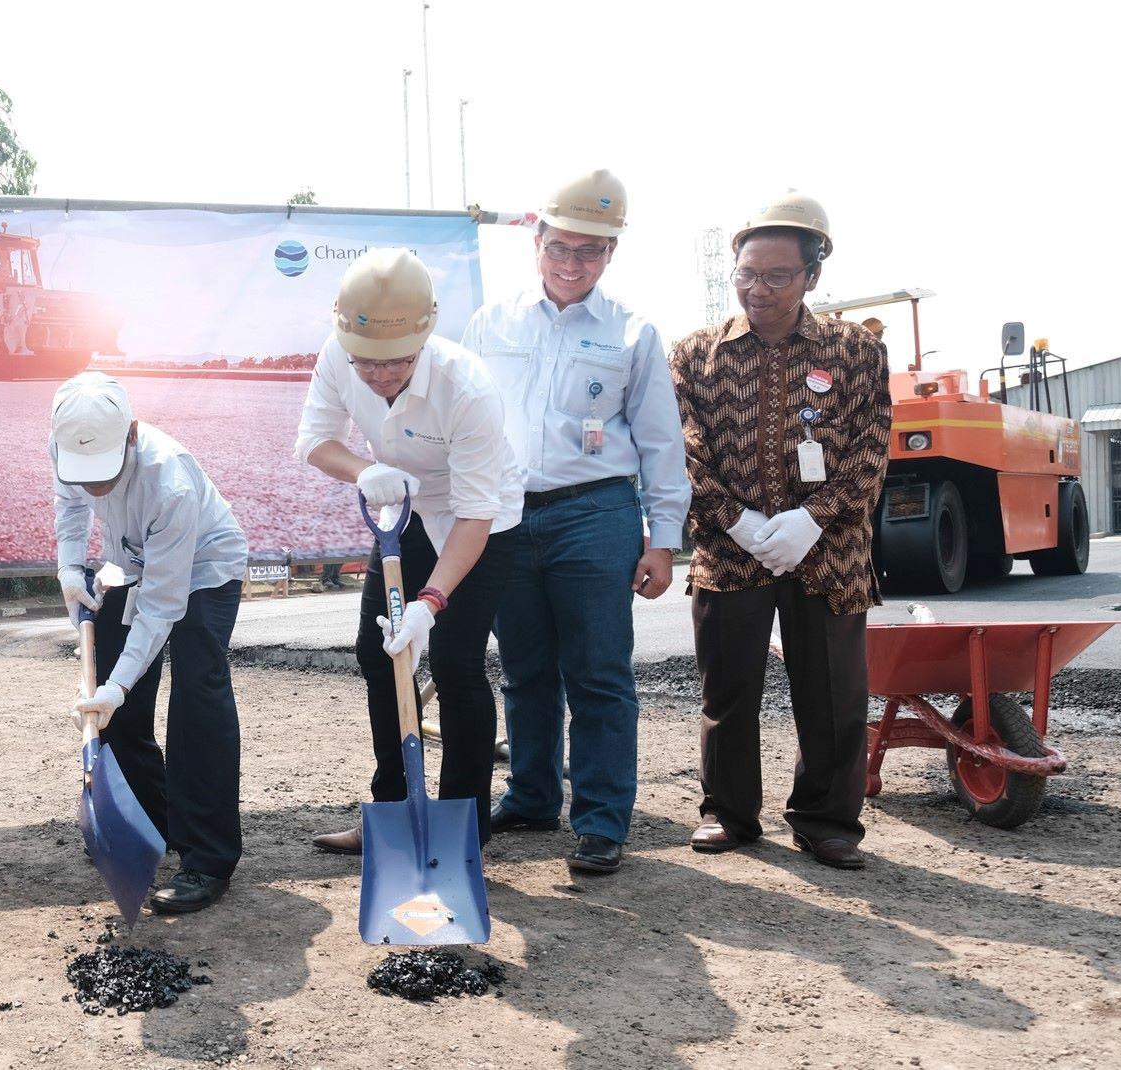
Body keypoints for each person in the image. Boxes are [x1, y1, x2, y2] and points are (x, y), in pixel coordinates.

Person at [460, 170, 690, 874]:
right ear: (537, 242)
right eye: (560, 247)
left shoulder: (632, 333)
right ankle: (530, 796)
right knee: (525, 670)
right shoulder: (488, 325)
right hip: (503, 515)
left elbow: (659, 441)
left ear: (610, 254)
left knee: (596, 672)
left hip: (595, 513)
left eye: (588, 252)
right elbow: (463, 427)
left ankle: (599, 819)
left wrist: (664, 540)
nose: (571, 264)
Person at [668, 190, 891, 870]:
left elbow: (870, 445)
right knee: (727, 687)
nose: (756, 289)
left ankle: (827, 821)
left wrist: (811, 520)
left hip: (829, 553)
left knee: (832, 692)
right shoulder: (694, 355)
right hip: (729, 549)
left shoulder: (854, 351)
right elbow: (682, 451)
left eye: (776, 276)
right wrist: (736, 521)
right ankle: (727, 813)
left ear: (811, 277)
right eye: (745, 275)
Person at [294, 248, 524, 854]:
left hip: (483, 520)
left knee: (454, 663)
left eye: (395, 362)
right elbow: (315, 443)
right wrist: (366, 471)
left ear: (425, 333)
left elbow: (476, 517)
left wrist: (430, 602)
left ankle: (461, 826)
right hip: (401, 504)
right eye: (364, 363)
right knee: (378, 654)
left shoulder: (467, 386)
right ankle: (392, 811)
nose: (379, 376)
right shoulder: (337, 355)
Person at [54, 372, 248, 913]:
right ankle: (146, 825)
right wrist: (70, 568)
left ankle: (207, 858)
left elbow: (164, 605)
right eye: (84, 475)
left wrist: (115, 685)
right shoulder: (67, 441)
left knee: (196, 695)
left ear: (132, 434)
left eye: (105, 475)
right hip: (132, 564)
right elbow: (69, 506)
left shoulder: (171, 480)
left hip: (206, 567)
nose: (95, 488)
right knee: (122, 707)